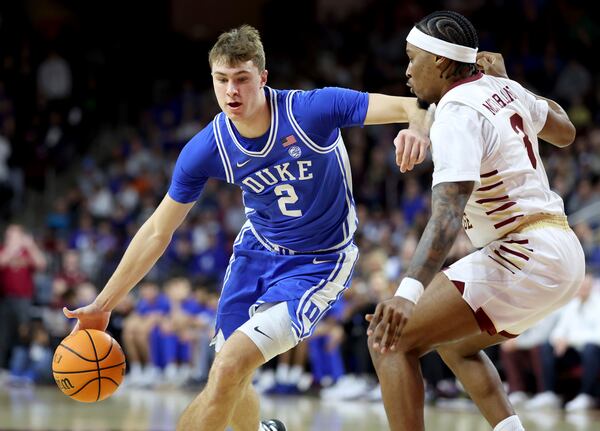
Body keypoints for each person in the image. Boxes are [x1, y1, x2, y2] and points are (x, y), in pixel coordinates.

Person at [63, 25, 431, 431]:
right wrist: (104, 303)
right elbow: (157, 231)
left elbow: (415, 106)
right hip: (255, 254)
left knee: (228, 367)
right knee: (228, 368)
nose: (231, 91)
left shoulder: (312, 110)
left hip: (319, 262)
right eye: (222, 80)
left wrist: (416, 129)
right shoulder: (208, 146)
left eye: (241, 79)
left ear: (263, 78)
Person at [366, 10, 584, 431]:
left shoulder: (456, 113)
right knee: (456, 346)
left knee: (388, 339)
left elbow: (447, 214)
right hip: (560, 250)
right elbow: (565, 132)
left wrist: (407, 293)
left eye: (413, 59)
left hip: (525, 252)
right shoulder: (503, 89)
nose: (406, 71)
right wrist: (510, 81)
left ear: (443, 63)